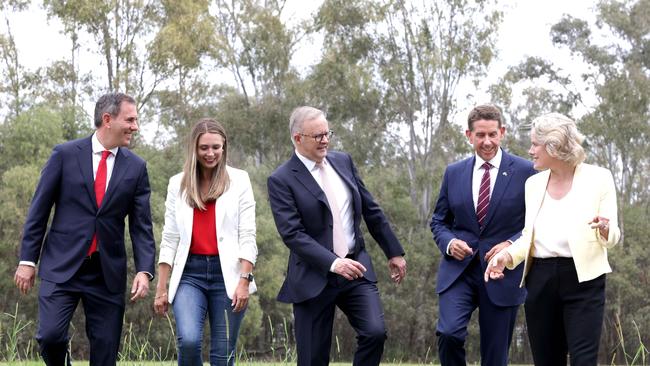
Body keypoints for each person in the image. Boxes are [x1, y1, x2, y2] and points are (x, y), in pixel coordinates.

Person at [13, 92, 156, 365]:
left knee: (105, 353)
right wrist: (27, 260)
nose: (135, 127)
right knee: (50, 336)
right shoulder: (64, 155)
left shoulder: (137, 168)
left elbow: (141, 226)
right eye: (130, 120)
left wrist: (144, 270)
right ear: (107, 119)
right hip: (61, 265)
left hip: (106, 273)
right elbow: (39, 211)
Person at [267, 106, 407, 366]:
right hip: (313, 275)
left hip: (355, 268)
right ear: (298, 138)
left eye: (327, 133)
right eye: (317, 136)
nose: (325, 140)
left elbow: (370, 209)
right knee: (312, 359)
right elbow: (293, 234)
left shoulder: (343, 162)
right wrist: (333, 263)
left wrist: (394, 251)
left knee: (375, 333)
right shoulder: (281, 179)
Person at [485, 113, 620, 366]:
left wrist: (605, 229)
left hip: (584, 280)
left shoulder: (599, 178)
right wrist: (506, 256)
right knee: (547, 361)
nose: (530, 150)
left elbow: (612, 234)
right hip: (540, 280)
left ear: (553, 146)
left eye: (535, 144)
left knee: (583, 360)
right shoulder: (533, 185)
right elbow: (529, 238)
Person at [430, 104, 536, 365]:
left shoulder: (526, 171)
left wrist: (510, 244)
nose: (486, 141)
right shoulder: (453, 172)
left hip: (503, 274)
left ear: (502, 132)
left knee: (495, 356)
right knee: (448, 334)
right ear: (469, 135)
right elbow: (439, 221)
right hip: (459, 272)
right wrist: (450, 242)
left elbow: (534, 223)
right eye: (480, 135)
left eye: (492, 134)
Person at [154, 118, 257, 366]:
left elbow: (248, 235)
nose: (210, 153)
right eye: (204, 148)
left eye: (216, 147)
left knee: (223, 355)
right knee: (188, 342)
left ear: (224, 147)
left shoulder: (240, 180)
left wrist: (244, 280)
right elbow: (169, 238)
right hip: (190, 274)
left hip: (229, 277)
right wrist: (161, 287)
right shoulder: (177, 184)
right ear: (194, 148)